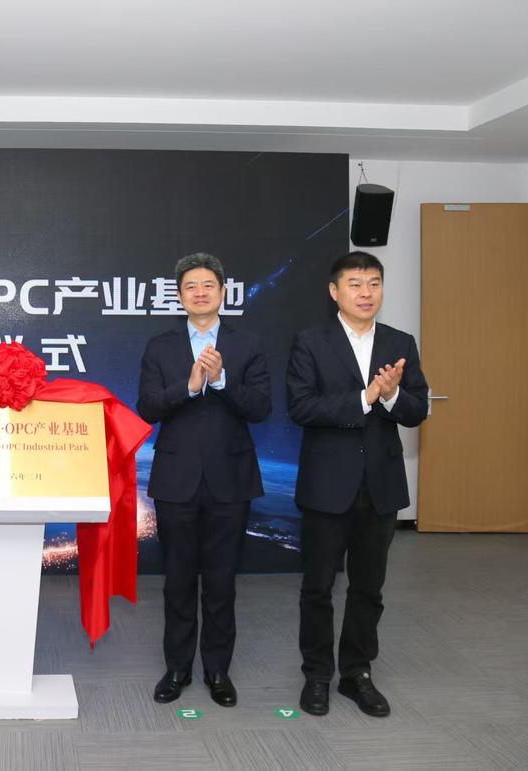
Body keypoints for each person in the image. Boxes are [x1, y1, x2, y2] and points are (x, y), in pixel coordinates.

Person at [287, 251, 428, 718]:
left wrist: (392, 395)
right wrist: (365, 397)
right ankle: (317, 674)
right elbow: (301, 407)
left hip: (381, 485)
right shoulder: (311, 342)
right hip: (327, 485)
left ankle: (357, 673)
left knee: (369, 588)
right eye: (355, 284)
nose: (366, 293)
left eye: (374, 283)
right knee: (318, 587)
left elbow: (418, 409)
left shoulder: (399, 342)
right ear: (335, 292)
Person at [137, 253, 271, 707]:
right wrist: (191, 386)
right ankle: (177, 668)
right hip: (176, 479)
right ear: (179, 296)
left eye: (208, 285)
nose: (200, 292)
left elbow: (261, 408)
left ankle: (217, 670)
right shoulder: (160, 346)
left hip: (231, 478)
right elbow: (148, 407)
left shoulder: (248, 344)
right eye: (191, 286)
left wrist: (223, 380)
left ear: (223, 292)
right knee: (177, 580)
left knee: (221, 581)